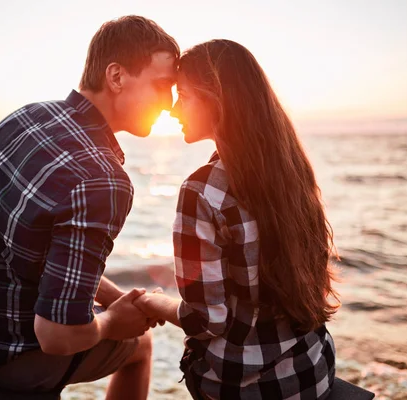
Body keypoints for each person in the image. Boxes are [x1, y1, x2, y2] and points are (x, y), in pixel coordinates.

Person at [0, 16, 179, 400]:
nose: (170, 103)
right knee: (139, 348)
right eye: (162, 86)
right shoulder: (103, 179)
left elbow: (30, 254)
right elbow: (57, 335)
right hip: (2, 361)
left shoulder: (26, 118)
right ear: (117, 76)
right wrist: (111, 322)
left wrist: (110, 297)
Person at [134, 39, 340, 400]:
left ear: (215, 100)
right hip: (314, 368)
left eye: (183, 95)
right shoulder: (290, 168)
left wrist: (155, 303)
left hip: (245, 387)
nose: (173, 109)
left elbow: (205, 320)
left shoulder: (200, 191)